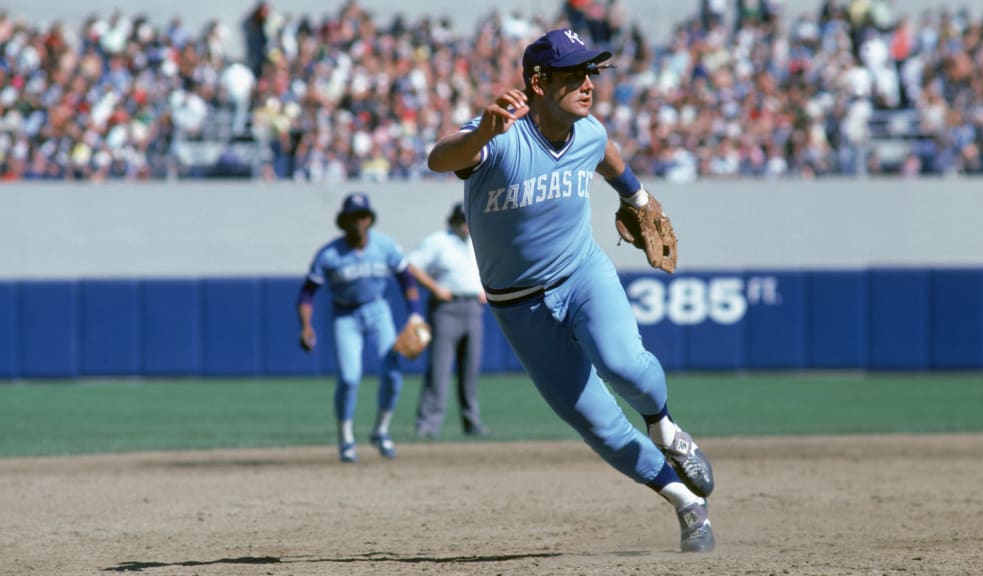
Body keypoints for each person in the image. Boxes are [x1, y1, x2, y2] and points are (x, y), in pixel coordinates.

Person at [426, 28, 716, 552]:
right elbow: (439, 159)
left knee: (625, 364)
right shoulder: (501, 135)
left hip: (582, 273)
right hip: (519, 305)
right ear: (538, 82)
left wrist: (640, 198)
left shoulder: (587, 130)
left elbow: (608, 155)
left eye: (590, 74)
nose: (588, 84)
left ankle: (665, 426)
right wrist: (482, 133)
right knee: (596, 423)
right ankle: (686, 504)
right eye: (573, 75)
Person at [296, 192, 424, 463]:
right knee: (349, 377)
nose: (359, 222)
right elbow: (307, 293)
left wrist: (414, 315)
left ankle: (381, 430)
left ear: (370, 219)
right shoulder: (329, 253)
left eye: (363, 216)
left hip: (378, 309)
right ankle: (346, 438)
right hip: (345, 314)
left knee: (393, 375)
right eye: (353, 217)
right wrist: (306, 325)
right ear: (344, 221)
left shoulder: (385, 246)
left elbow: (407, 281)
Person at [407, 202, 489, 438]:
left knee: (470, 371)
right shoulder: (438, 241)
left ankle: (472, 423)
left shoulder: (479, 239)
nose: (466, 226)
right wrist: (434, 288)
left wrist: (486, 289)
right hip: (446, 308)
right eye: (462, 221)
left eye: (468, 221)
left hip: (473, 306)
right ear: (453, 221)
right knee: (439, 370)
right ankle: (428, 424)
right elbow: (411, 265)